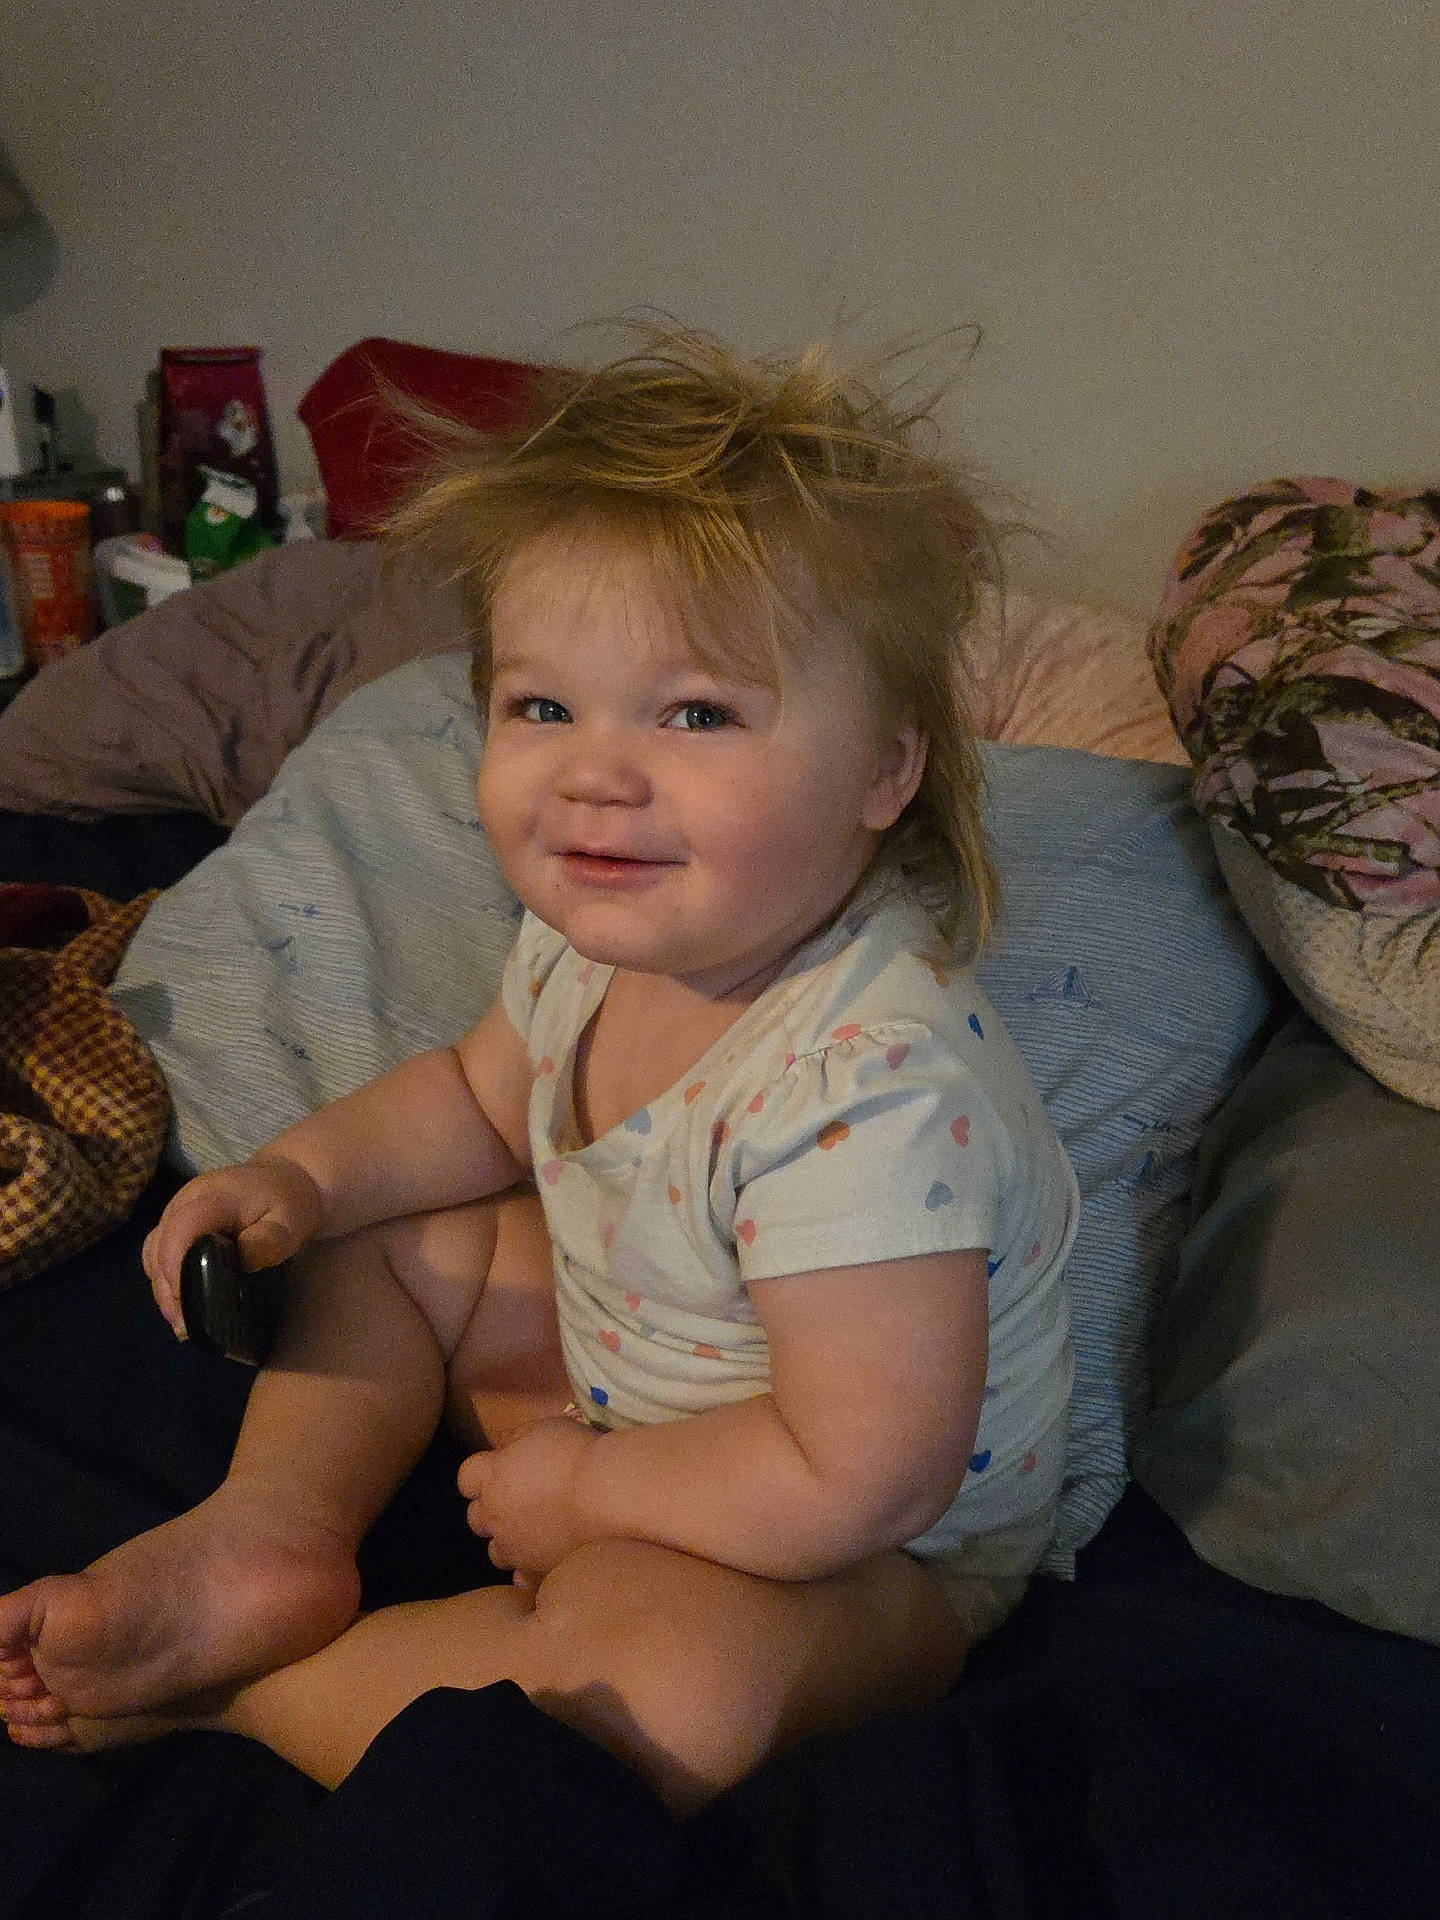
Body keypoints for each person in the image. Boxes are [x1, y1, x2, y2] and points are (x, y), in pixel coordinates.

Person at [0, 326, 1078, 1817]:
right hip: (636, 1373)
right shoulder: (598, 941)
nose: (595, 770)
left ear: (885, 773)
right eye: (540, 706)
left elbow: (861, 1474)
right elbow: (468, 1099)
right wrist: (300, 1176)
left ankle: (247, 1698)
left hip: (864, 1547)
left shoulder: (868, 1085)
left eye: (695, 712)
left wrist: (590, 1494)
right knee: (390, 1244)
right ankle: (268, 1530)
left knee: (676, 1689)